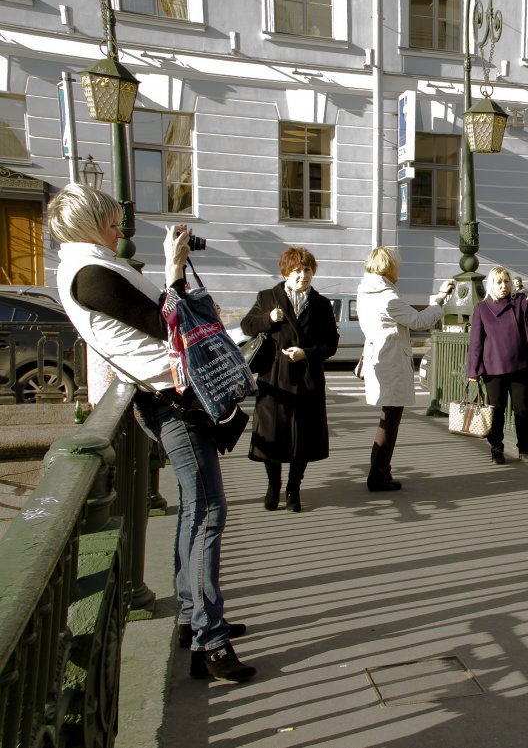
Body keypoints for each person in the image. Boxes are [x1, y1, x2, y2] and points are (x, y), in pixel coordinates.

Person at [48, 183, 255, 681]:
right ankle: (211, 640)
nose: (119, 228)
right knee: (208, 510)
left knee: (195, 506)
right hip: (171, 404)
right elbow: (168, 324)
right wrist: (174, 267)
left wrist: (174, 271)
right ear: (87, 223)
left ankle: (192, 616)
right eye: (110, 219)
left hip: (167, 400)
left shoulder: (90, 266)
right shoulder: (91, 273)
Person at [241, 246, 339, 513]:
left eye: (307, 270)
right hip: (274, 378)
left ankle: (294, 488)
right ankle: (273, 486)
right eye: (296, 270)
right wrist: (268, 319)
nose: (302, 275)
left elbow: (331, 344)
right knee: (272, 435)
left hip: (307, 379)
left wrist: (305, 353)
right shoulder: (267, 297)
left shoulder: (321, 304)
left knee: (303, 438)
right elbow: (246, 326)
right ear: (286, 271)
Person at [357, 247, 453, 492]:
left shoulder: (366, 291)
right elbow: (418, 321)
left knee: (388, 417)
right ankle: (378, 475)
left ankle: (382, 471)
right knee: (390, 420)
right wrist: (440, 301)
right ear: (389, 267)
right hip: (391, 362)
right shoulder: (387, 297)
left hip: (380, 357)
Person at [467, 266, 528, 464]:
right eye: (499, 282)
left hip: (520, 365)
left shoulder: (519, 302)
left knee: (522, 410)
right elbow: (476, 341)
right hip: (493, 368)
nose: (504, 286)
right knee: (496, 409)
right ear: (491, 285)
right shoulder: (482, 308)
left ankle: (524, 449)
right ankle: (496, 449)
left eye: (506, 282)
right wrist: (473, 370)